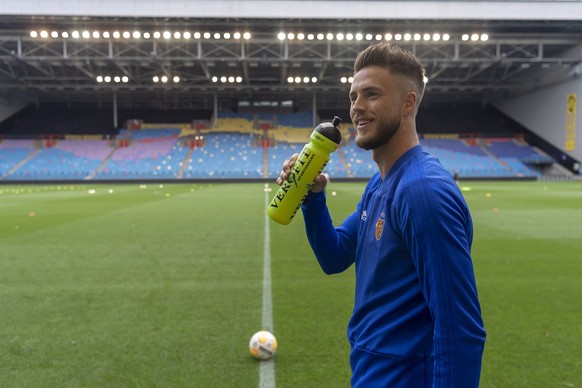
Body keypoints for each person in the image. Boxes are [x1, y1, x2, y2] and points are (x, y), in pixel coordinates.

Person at [276, 43, 486, 387]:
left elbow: (460, 330)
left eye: (371, 95)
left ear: (408, 103)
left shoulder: (423, 192)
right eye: (353, 96)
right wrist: (313, 197)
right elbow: (335, 256)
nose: (357, 108)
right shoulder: (381, 183)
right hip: (371, 371)